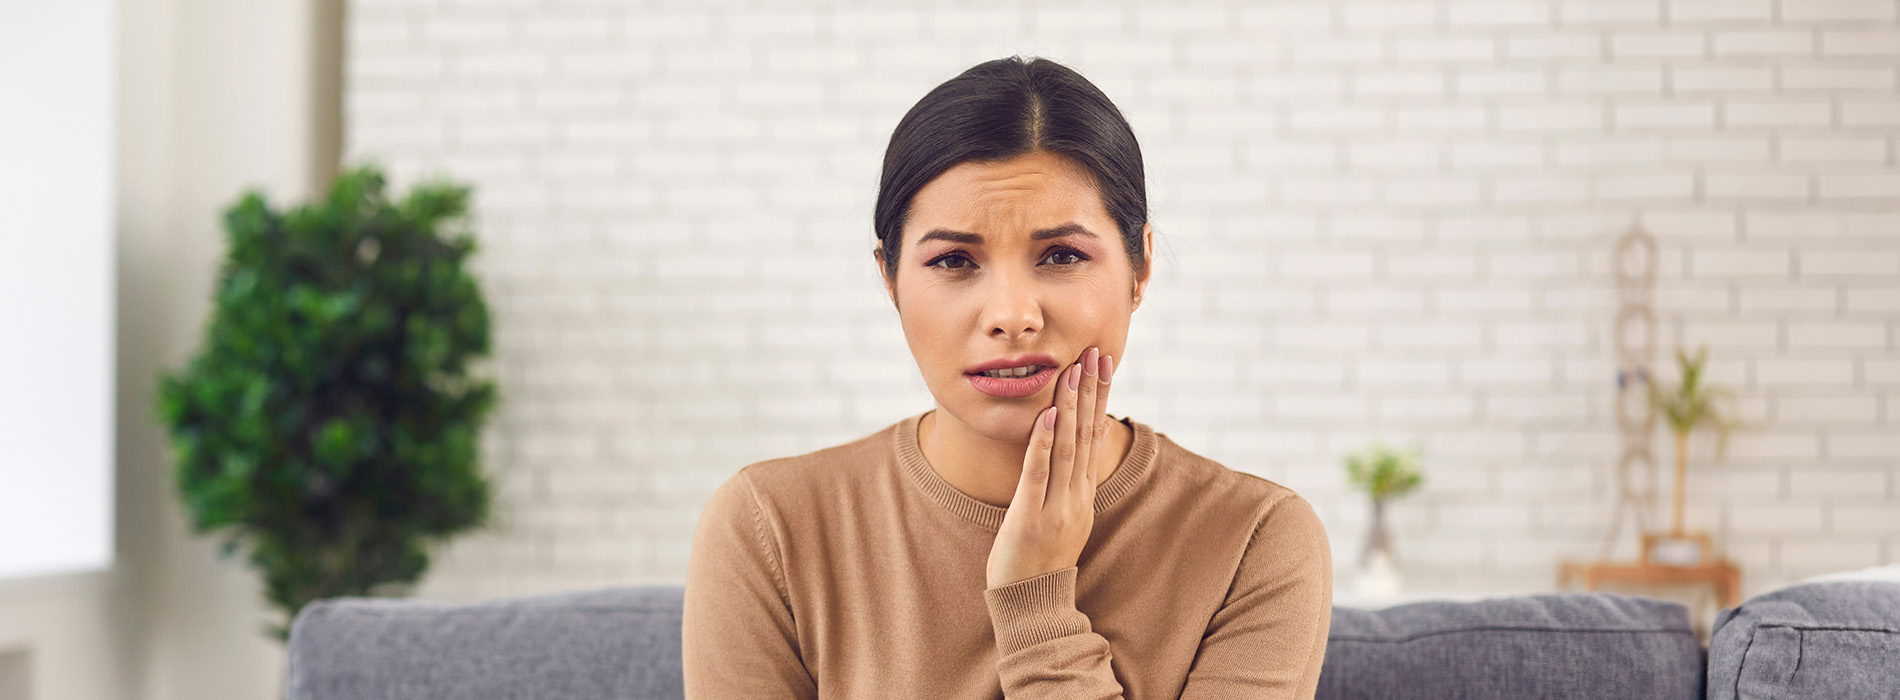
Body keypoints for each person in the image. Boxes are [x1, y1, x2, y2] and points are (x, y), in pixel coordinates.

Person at [682, 55, 1332, 700]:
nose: (1012, 316)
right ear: (890, 279)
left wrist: (1037, 606)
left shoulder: (1256, 540)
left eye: (1062, 255)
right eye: (954, 260)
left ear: (1140, 268)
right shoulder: (771, 525)